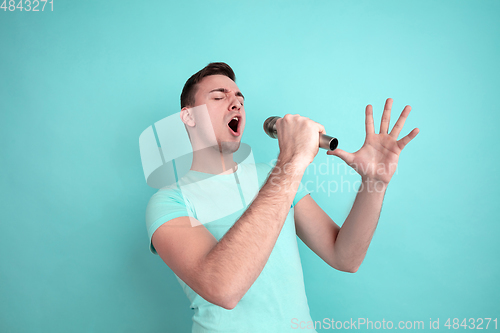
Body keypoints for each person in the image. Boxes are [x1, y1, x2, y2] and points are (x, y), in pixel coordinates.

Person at [145, 62, 419, 332]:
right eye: (218, 96)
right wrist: (291, 161)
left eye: (239, 98)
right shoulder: (169, 202)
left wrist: (374, 182)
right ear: (189, 117)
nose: (236, 103)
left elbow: (345, 257)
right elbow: (223, 289)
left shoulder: (272, 176)